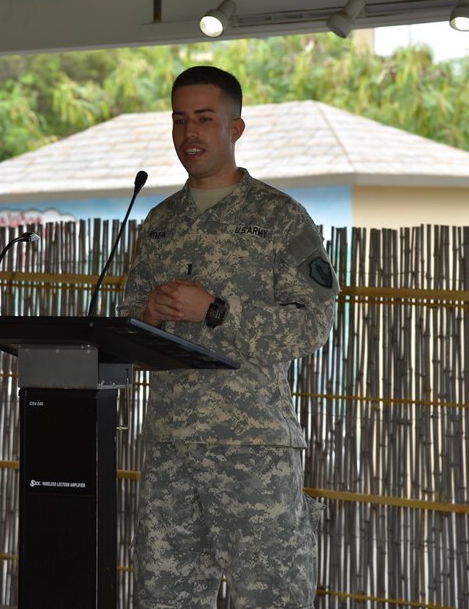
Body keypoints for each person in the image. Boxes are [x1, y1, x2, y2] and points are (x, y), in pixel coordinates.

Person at [119, 65, 339, 609]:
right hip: (171, 449)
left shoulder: (280, 218)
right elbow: (128, 321)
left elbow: (314, 323)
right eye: (178, 120)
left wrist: (215, 311)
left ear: (235, 129)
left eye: (203, 118)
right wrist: (148, 312)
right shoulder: (160, 222)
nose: (188, 134)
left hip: (253, 451)